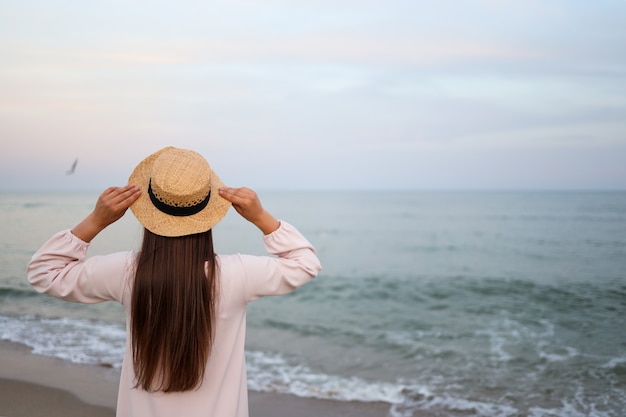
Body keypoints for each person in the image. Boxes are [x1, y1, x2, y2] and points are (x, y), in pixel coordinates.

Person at [27, 146, 322, 417]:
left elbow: (44, 272)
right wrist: (262, 218)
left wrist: (95, 221)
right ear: (208, 211)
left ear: (148, 209)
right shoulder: (237, 273)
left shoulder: (127, 271)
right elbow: (305, 264)